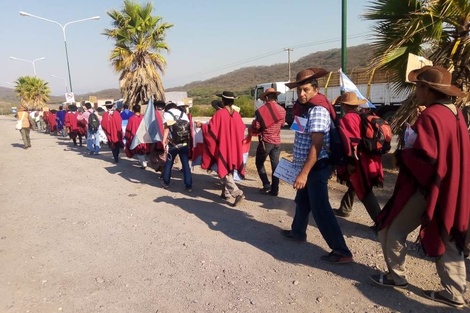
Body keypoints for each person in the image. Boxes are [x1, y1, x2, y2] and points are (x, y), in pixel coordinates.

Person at [370, 66, 469, 309]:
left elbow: (427, 157)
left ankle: (397, 277)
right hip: (451, 186)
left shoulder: (431, 116)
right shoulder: (455, 112)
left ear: (428, 89)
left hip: (428, 187)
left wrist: (402, 156)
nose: (416, 91)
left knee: (392, 229)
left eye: (418, 87)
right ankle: (455, 293)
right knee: (446, 233)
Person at [280, 68, 353, 264]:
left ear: (316, 89)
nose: (302, 94)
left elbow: (317, 144)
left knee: (321, 208)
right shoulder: (305, 109)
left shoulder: (319, 110)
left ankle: (341, 250)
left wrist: (303, 173)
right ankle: (297, 232)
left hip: (317, 166)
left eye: (306, 90)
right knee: (302, 200)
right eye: (299, 90)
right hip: (308, 165)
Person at [332, 92, 383, 229]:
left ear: (344, 105)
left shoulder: (347, 119)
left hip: (359, 160)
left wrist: (350, 162)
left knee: (364, 190)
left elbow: (352, 143)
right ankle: (345, 208)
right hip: (369, 157)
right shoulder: (361, 116)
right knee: (355, 185)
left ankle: (380, 223)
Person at [196, 91, 246, 207]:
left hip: (224, 147)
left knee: (223, 170)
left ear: (223, 101)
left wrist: (201, 126)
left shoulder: (219, 114)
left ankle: (237, 193)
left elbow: (211, 130)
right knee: (230, 169)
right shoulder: (237, 115)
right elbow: (242, 130)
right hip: (234, 147)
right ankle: (226, 193)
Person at [250, 88, 286, 196]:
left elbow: (257, 126)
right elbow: (283, 124)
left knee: (259, 163)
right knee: (275, 165)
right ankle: (275, 190)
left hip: (266, 141)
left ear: (266, 97)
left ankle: (266, 184)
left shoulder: (261, 111)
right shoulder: (282, 110)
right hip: (277, 141)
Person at [161, 101, 192, 191]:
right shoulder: (183, 114)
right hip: (184, 143)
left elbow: (166, 128)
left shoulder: (167, 114)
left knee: (169, 163)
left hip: (173, 144)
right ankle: (188, 185)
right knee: (185, 164)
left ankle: (166, 182)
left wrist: (164, 141)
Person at [124, 104, 148, 168]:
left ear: (133, 110)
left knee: (138, 150)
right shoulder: (143, 118)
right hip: (143, 136)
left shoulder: (131, 119)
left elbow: (128, 129)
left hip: (135, 136)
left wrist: (127, 136)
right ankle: (143, 161)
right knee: (142, 149)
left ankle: (143, 163)